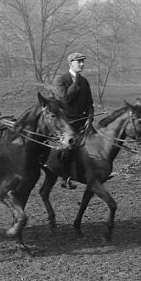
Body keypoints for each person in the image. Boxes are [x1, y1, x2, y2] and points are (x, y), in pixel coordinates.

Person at [54, 52, 94, 188]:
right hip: (67, 123)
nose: (82, 64)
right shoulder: (61, 80)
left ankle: (96, 173)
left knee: (97, 142)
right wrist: (76, 83)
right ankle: (65, 178)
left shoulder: (85, 81)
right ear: (71, 63)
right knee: (67, 149)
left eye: (83, 61)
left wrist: (90, 116)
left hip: (84, 121)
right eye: (79, 62)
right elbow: (65, 99)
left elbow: (89, 102)